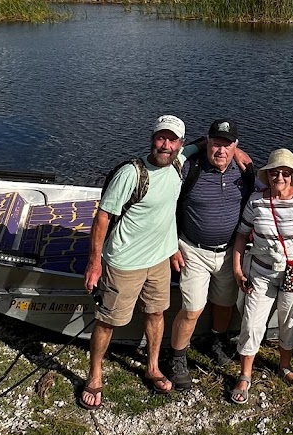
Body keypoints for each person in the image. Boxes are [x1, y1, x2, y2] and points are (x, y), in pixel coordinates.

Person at [80, 114, 187, 410]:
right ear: (152, 139)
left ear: (181, 144)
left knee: (156, 313)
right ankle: (94, 375)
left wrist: (238, 151)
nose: (166, 145)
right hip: (124, 263)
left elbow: (206, 144)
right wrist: (94, 263)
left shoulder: (178, 163)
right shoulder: (131, 173)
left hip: (160, 260)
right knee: (108, 321)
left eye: (172, 139)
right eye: (161, 138)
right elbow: (103, 217)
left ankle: (152, 367)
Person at [230, 148, 293, 404]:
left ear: (292, 176)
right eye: (274, 172)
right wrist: (238, 269)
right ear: (267, 175)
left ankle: (284, 367)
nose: (279, 177)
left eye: (284, 173)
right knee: (251, 322)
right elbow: (241, 235)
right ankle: (245, 375)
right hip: (260, 271)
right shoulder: (256, 200)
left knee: (289, 320)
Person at [167, 118, 255, 389]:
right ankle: (177, 357)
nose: (221, 151)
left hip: (230, 253)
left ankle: (216, 341)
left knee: (225, 303)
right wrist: (172, 247)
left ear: (235, 147)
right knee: (192, 308)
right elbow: (166, 208)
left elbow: (261, 200)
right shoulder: (188, 169)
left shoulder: (244, 172)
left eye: (227, 145)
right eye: (216, 143)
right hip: (193, 250)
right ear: (207, 142)